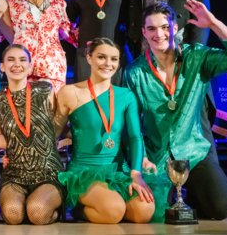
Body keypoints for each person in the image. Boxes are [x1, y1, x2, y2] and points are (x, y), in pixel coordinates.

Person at [123, 2, 227, 220]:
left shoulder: (197, 57)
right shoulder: (134, 72)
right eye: (152, 29)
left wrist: (213, 23)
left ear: (174, 28)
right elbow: (132, 122)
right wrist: (142, 159)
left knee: (221, 208)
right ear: (144, 32)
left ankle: (191, 195)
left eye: (165, 27)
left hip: (194, 153)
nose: (159, 34)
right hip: (157, 157)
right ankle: (176, 195)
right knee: (150, 212)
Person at [56, 38, 168, 223]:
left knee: (144, 211)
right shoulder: (69, 92)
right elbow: (54, 132)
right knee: (113, 211)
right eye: (101, 57)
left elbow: (134, 137)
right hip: (84, 171)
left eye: (114, 59)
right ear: (89, 57)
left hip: (118, 170)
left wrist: (136, 173)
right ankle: (80, 210)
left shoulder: (126, 96)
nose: (108, 63)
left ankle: (109, 205)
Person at [0, 44, 64, 225]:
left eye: (22, 60)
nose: (16, 64)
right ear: (2, 67)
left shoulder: (45, 89)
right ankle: (25, 204)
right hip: (15, 173)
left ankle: (51, 208)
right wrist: (16, 145)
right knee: (13, 216)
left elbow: (57, 125)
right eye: (10, 60)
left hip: (47, 172)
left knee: (37, 212)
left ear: (30, 66)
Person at [5, 0, 75, 90]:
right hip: (22, 69)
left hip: (52, 69)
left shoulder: (58, 2)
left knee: (53, 112)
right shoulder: (11, 1)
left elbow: (67, 32)